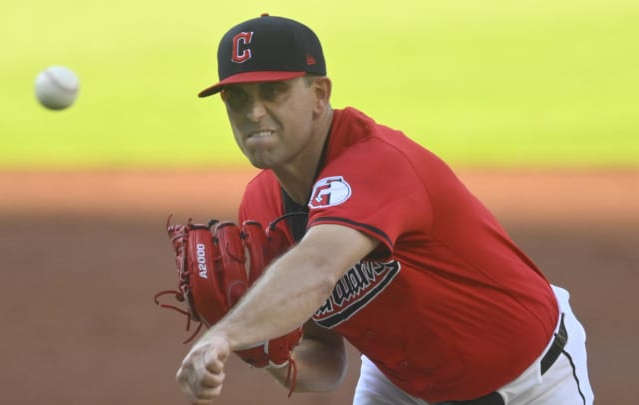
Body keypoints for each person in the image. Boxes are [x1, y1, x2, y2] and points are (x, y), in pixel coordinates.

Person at [175, 13, 594, 405]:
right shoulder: (261, 206)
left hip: (530, 383)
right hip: (403, 387)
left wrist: (226, 333)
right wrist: (265, 352)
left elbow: (318, 268)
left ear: (319, 94)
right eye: (236, 97)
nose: (253, 112)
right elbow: (326, 359)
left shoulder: (377, 163)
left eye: (273, 91)